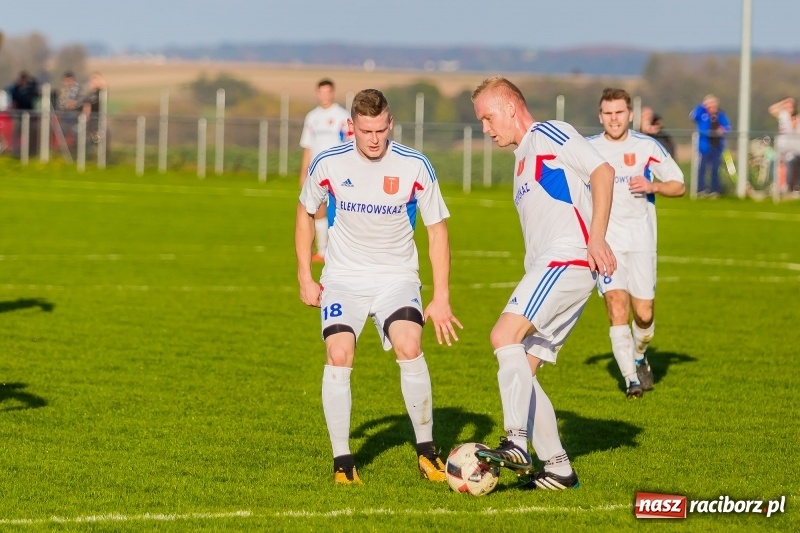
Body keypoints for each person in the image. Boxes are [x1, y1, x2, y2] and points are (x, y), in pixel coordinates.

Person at [296, 88, 462, 485]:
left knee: (410, 346)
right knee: (339, 354)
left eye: (381, 130)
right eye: (365, 131)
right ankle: (343, 462)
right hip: (342, 279)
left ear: (391, 124)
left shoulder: (415, 165)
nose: (373, 139)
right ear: (350, 126)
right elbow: (304, 213)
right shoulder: (328, 162)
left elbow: (437, 231)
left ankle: (427, 453)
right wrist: (304, 275)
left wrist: (441, 296)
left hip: (396, 278)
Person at [471, 77, 616, 490]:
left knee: (503, 336)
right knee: (524, 374)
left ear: (510, 108)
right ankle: (558, 468)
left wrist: (597, 237)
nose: (485, 128)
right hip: (554, 266)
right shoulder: (522, 159)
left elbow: (603, 171)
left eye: (488, 117)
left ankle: (516, 443)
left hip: (567, 258)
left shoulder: (547, 133)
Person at [587, 88, 685, 398]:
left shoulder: (646, 146)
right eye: (608, 113)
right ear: (600, 116)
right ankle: (631, 380)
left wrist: (653, 186)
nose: (614, 119)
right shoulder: (588, 148)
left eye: (619, 113)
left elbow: (679, 185)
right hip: (607, 243)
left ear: (630, 114)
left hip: (642, 240)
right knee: (617, 306)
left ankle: (640, 355)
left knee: (644, 315)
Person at [299, 79, 353, 263]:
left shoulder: (342, 116)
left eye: (327, 92)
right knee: (318, 208)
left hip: (338, 169)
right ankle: (322, 250)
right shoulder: (312, 117)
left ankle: (342, 249)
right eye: (321, 92)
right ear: (317, 93)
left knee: (341, 208)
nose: (324, 96)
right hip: (317, 170)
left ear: (333, 93)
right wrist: (303, 172)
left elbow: (351, 143)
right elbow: (308, 146)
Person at [689, 94, 730, 197]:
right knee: (702, 168)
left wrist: (722, 130)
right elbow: (692, 116)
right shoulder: (702, 114)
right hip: (704, 146)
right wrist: (702, 106)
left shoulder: (720, 115)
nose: (712, 106)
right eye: (709, 104)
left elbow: (727, 127)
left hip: (717, 146)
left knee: (715, 168)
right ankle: (700, 190)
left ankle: (714, 190)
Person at [768, 97, 800, 192]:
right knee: (778, 165)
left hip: (796, 149)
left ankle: (790, 186)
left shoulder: (798, 118)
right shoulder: (783, 116)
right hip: (783, 147)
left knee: (791, 164)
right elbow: (771, 109)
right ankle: (781, 186)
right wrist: (784, 102)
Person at [7, 71, 40, 156]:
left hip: (29, 114)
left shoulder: (30, 89)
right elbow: (12, 95)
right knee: (16, 133)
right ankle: (16, 152)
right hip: (18, 114)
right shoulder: (16, 88)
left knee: (30, 133)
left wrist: (32, 80)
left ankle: (29, 151)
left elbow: (36, 91)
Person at [57, 71, 82, 154]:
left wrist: (75, 104)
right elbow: (59, 102)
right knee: (62, 131)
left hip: (75, 114)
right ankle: (63, 149)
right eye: (66, 80)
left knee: (75, 131)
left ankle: (75, 148)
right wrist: (66, 104)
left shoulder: (78, 89)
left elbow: (82, 100)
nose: (68, 82)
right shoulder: (62, 89)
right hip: (64, 114)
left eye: (69, 80)